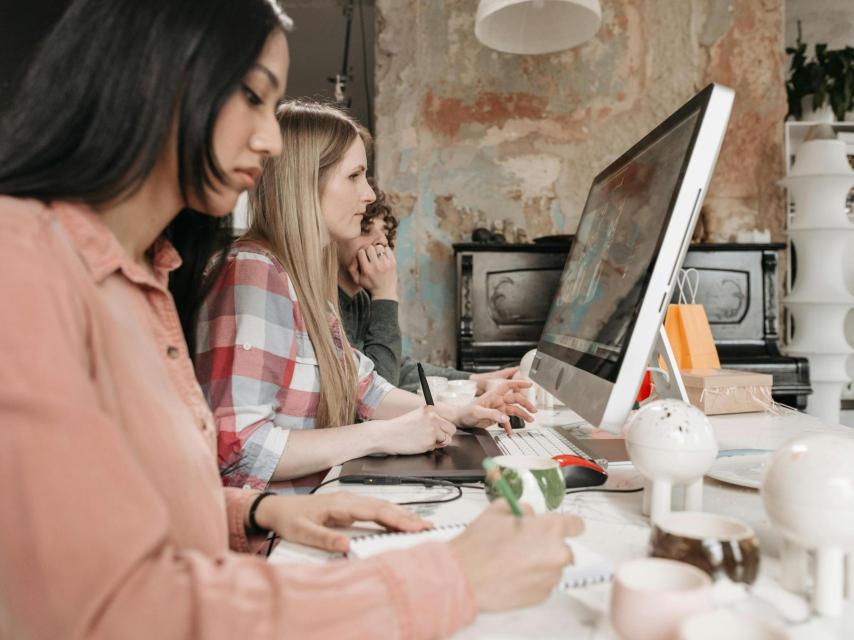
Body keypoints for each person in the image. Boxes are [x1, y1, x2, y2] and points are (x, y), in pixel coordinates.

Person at [0, 1, 584, 638]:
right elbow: (108, 607)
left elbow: (131, 510)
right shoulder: (26, 265)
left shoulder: (146, 278)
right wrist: (453, 579)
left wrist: (258, 512)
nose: (272, 139)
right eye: (253, 95)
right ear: (153, 76)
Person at [194, 100, 536, 492]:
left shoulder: (301, 279)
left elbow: (365, 386)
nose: (370, 193)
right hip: (275, 537)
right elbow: (239, 449)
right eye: (355, 176)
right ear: (306, 181)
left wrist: (460, 414)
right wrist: (381, 436)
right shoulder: (253, 273)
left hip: (325, 503)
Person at [337, 180, 519, 392]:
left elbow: (395, 368)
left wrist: (474, 381)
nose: (383, 242)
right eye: (366, 229)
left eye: (386, 233)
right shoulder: (328, 302)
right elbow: (378, 392)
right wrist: (385, 294)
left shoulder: (360, 300)